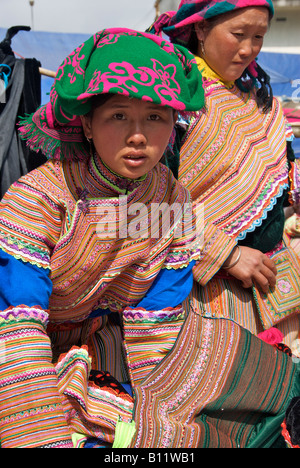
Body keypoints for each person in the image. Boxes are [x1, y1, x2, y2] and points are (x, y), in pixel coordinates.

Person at [0, 26, 298, 450]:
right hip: (30, 346)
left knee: (261, 385)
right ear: (86, 123)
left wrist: (160, 403)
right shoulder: (39, 200)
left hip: (115, 338)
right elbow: (19, 327)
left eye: (155, 117)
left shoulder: (166, 195)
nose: (138, 135)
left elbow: (160, 315)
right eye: (118, 115)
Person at [148, 0, 300, 357]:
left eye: (259, 36)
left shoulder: (259, 99)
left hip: (277, 292)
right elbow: (141, 204)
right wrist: (226, 254)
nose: (248, 49)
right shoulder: (171, 103)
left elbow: (281, 184)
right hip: (204, 297)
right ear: (200, 28)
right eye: (238, 34)